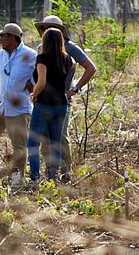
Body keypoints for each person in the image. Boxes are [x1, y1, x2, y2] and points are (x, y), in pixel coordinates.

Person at [33, 15, 97, 181]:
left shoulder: (70, 48)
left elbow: (90, 68)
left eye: (48, 28)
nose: (44, 31)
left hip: (61, 102)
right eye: (43, 28)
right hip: (43, 101)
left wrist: (74, 89)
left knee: (60, 137)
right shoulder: (41, 48)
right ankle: (50, 173)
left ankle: (65, 172)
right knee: (46, 138)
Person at [0, 23, 37, 183]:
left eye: (4, 36)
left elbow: (39, 78)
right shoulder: (1, 54)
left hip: (19, 109)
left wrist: (31, 87)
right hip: (0, 107)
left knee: (19, 147)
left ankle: (16, 180)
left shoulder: (31, 55)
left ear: (13, 38)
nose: (1, 39)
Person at [27, 28, 73, 182]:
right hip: (61, 105)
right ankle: (53, 177)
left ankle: (34, 177)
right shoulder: (67, 58)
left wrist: (34, 94)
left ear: (44, 41)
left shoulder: (42, 58)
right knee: (55, 142)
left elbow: (41, 82)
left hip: (44, 105)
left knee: (33, 142)